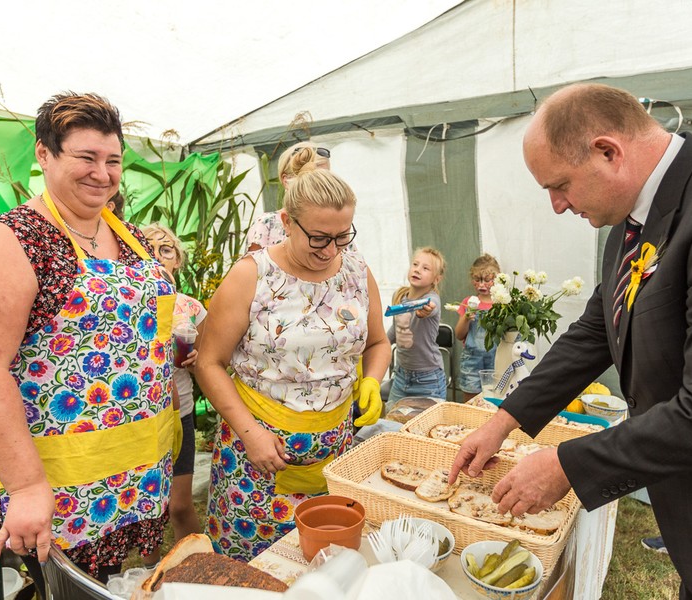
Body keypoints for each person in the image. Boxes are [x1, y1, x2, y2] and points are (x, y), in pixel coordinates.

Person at [449, 83, 692, 599]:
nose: (558, 206)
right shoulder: (633, 222)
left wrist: (569, 463)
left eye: (560, 185)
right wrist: (503, 420)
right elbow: (594, 332)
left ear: (608, 151)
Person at [0, 93, 176, 581]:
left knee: (112, 582)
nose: (103, 173)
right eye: (86, 158)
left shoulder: (128, 235)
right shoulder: (14, 240)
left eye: (113, 160)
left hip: (133, 475)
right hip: (62, 487)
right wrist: (27, 488)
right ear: (45, 155)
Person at [195, 168, 389, 561]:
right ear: (286, 221)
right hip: (256, 460)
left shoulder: (356, 271)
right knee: (253, 571)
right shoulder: (252, 275)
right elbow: (209, 362)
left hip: (332, 454)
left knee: (325, 564)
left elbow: (378, 342)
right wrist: (251, 434)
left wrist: (371, 380)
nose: (330, 250)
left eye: (342, 236)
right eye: (318, 237)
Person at [140, 223, 206, 567]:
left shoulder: (190, 308)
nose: (157, 255)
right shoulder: (131, 306)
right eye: (148, 248)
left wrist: (195, 362)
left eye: (166, 249)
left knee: (179, 505)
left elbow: (208, 363)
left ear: (177, 260)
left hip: (180, 415)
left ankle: (197, 570)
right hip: (144, 421)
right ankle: (148, 576)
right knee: (148, 510)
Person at [386, 247, 447, 406]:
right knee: (393, 421)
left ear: (436, 279)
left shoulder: (432, 299)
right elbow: (396, 330)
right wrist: (381, 345)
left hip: (428, 380)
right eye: (415, 264)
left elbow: (433, 307)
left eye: (425, 268)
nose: (417, 270)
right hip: (400, 377)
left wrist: (425, 311)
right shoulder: (399, 296)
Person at [455, 254, 501, 402]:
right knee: (471, 401)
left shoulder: (501, 304)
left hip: (496, 359)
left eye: (487, 280)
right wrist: (466, 318)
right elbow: (459, 335)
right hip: (471, 360)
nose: (482, 284)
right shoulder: (468, 302)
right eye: (477, 279)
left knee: (494, 400)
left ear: (497, 279)